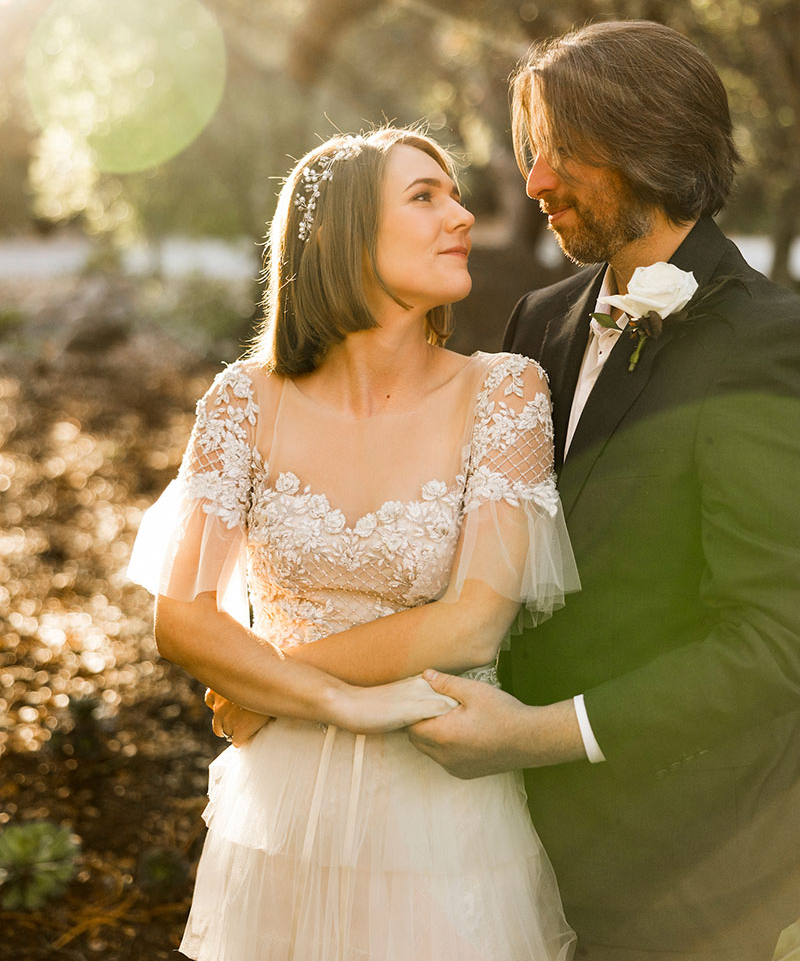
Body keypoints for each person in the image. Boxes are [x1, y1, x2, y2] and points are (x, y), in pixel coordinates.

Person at [128, 126, 580, 961]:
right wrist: (335, 701)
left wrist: (270, 682)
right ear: (339, 233)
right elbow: (182, 623)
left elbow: (472, 624)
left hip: (441, 803)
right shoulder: (242, 402)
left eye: (454, 196)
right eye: (424, 196)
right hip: (279, 807)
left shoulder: (504, 394)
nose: (462, 218)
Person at [408, 21, 800, 961]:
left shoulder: (769, 343)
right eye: (531, 153)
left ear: (653, 144)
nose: (533, 181)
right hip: (504, 840)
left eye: (561, 153)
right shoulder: (538, 320)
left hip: (687, 866)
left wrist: (541, 736)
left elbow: (774, 639)